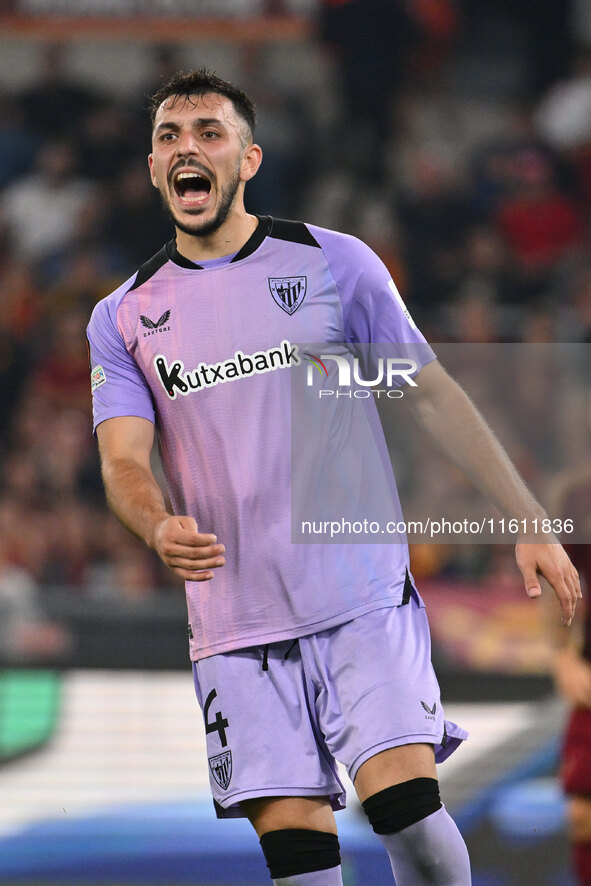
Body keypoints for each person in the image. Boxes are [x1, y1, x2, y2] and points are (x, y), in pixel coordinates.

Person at [86, 69, 580, 886]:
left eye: (208, 132)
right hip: (235, 624)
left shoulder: (331, 263)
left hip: (355, 591)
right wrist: (154, 522)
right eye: (170, 137)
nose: (187, 149)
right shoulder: (124, 316)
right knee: (300, 862)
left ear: (247, 158)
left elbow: (426, 393)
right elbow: (123, 461)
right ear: (151, 169)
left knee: (406, 816)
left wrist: (526, 516)